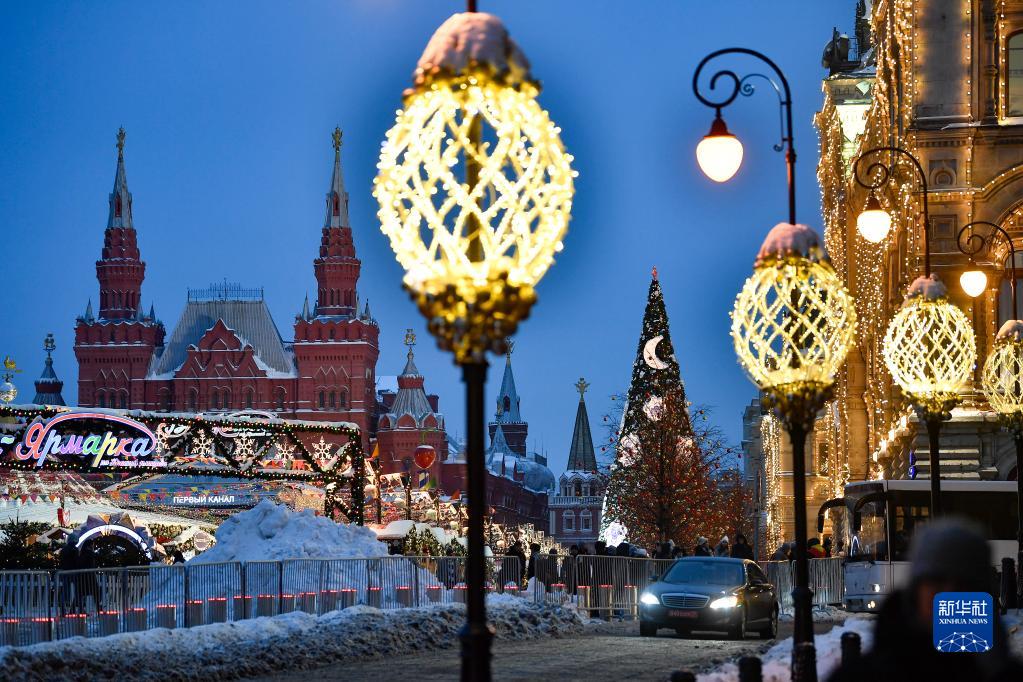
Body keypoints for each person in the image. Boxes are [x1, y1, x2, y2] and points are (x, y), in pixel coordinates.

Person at [828, 519, 1023, 682]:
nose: (949, 593)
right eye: (937, 581)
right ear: (916, 589)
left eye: (964, 584)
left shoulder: (999, 669)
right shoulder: (865, 675)